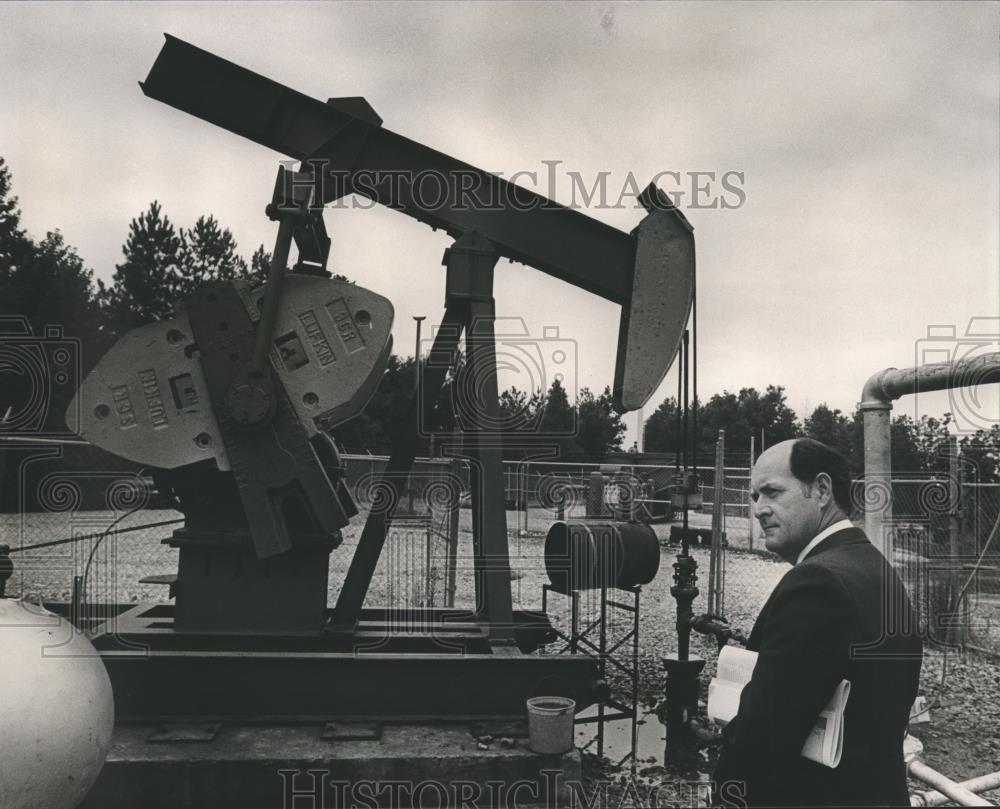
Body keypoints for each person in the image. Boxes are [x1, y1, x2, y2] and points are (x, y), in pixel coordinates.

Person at [712, 437, 923, 808]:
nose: (759, 509)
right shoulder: (872, 567)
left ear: (822, 490)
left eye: (772, 492)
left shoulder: (817, 583)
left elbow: (762, 741)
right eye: (753, 497)